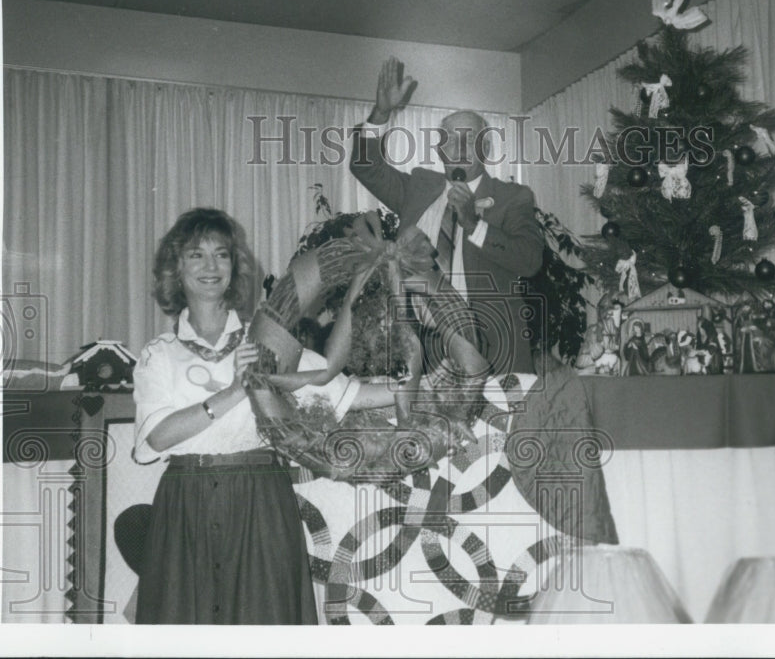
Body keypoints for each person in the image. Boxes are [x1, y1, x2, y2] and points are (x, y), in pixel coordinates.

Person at [132, 208, 367, 625]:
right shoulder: (158, 354)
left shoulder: (267, 340)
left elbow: (344, 392)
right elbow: (157, 438)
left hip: (261, 502)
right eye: (195, 255)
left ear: (234, 266)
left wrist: (422, 389)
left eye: (221, 255)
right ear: (175, 268)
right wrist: (238, 389)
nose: (210, 267)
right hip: (185, 507)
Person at [349, 57, 544, 374]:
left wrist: (473, 224)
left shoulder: (513, 197)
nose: (459, 145)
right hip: (422, 349)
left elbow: (530, 260)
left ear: (486, 147)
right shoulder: (420, 188)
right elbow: (365, 166)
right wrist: (381, 113)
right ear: (440, 149)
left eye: (470, 137)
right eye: (450, 138)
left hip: (492, 348)